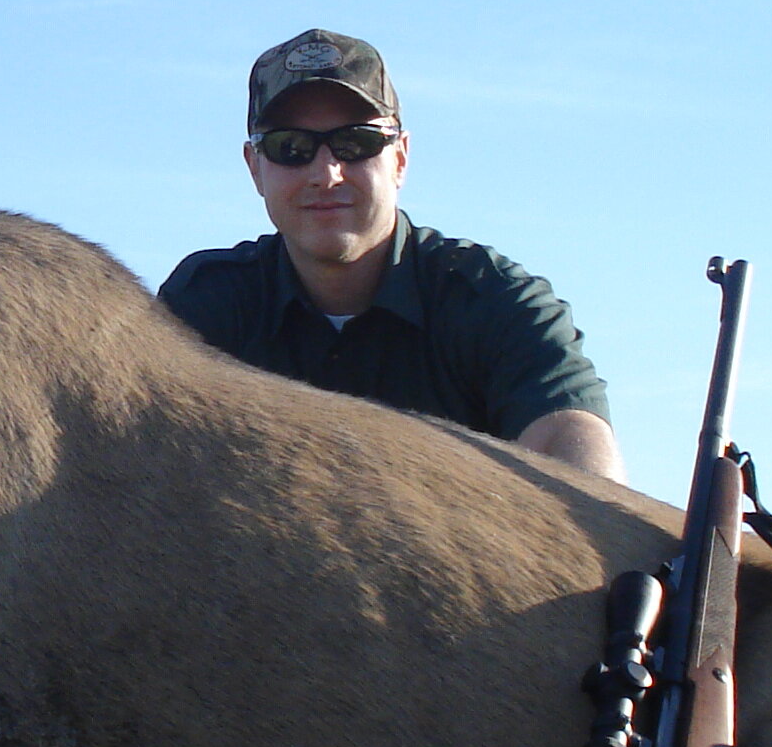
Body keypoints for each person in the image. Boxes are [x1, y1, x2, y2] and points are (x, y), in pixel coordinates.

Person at [158, 29, 625, 480]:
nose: (326, 173)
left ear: (400, 158)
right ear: (255, 168)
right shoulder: (205, 305)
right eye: (290, 147)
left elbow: (575, 452)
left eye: (356, 143)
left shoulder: (494, 301)